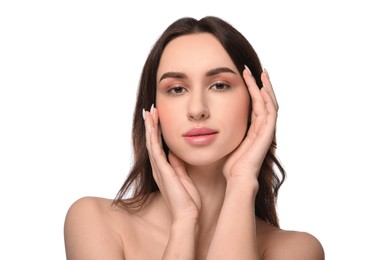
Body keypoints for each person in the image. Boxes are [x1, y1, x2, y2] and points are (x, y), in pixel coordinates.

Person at [64, 16, 324, 260]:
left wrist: (241, 182)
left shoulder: (295, 250)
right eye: (176, 89)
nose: (197, 109)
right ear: (151, 109)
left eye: (219, 85)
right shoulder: (94, 221)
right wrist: (185, 222)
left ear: (255, 102)